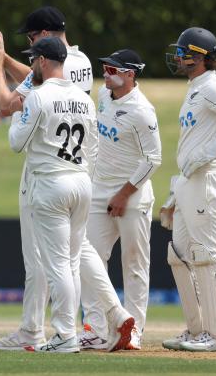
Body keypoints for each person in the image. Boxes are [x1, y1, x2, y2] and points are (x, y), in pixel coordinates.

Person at [0, 7, 132, 352]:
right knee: (73, 259)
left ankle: (65, 335)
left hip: (50, 181)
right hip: (81, 179)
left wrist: (5, 81)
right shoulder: (84, 97)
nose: (32, 61)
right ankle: (71, 329)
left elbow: (16, 141)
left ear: (45, 59)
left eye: (34, 55)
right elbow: (93, 146)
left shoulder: (39, 96)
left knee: (57, 263)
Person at [161, 27, 216, 352]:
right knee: (180, 254)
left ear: (198, 57)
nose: (178, 57)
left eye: (183, 52)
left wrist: (205, 153)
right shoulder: (196, 87)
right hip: (191, 181)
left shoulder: (212, 85)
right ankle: (196, 330)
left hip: (208, 178)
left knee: (206, 256)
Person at [80, 49, 161, 350]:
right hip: (99, 190)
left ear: (130, 74)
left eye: (114, 69)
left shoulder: (142, 110)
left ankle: (135, 331)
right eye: (105, 67)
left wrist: (124, 194)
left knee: (134, 264)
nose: (107, 73)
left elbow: (153, 159)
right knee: (88, 259)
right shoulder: (103, 95)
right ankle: (96, 328)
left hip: (133, 197)